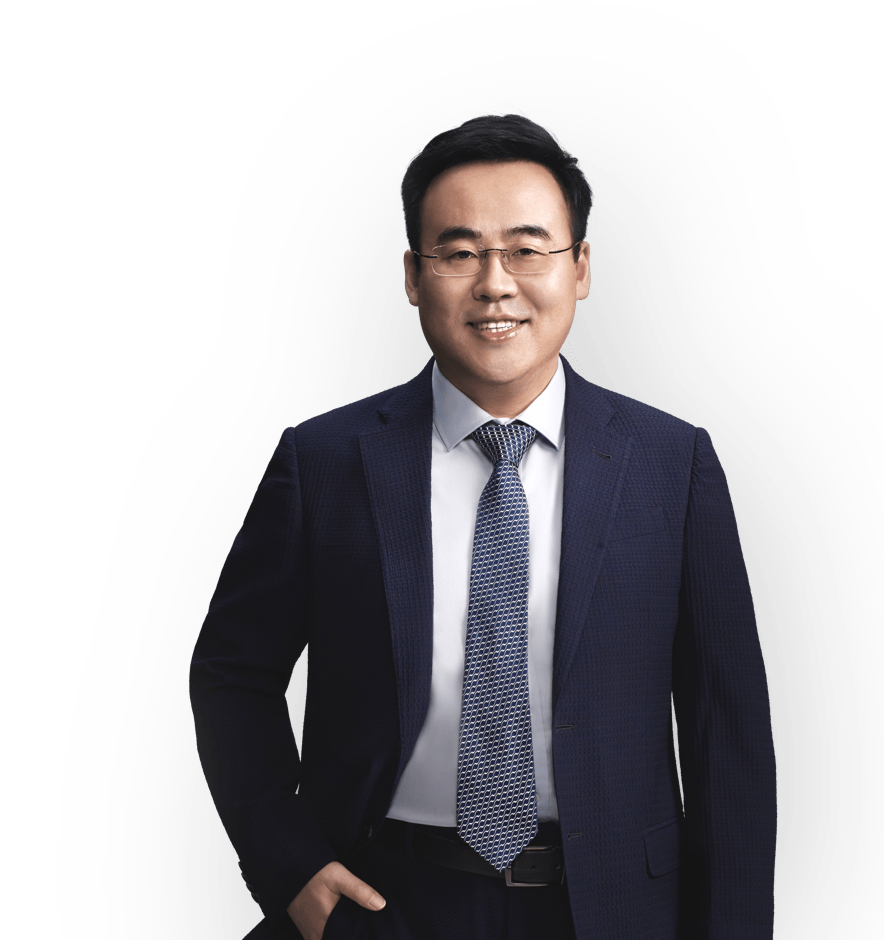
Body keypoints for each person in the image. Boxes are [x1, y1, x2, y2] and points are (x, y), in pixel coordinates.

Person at [189, 108, 777, 940]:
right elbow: (232, 672)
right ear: (412, 275)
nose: (495, 283)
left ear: (580, 268)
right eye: (459, 253)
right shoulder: (322, 461)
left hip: (614, 909)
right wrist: (291, 868)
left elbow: (728, 730)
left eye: (527, 249)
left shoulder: (671, 463)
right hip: (381, 904)